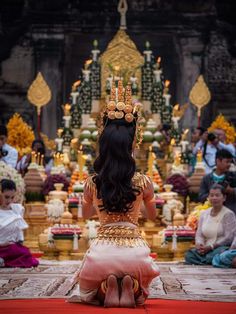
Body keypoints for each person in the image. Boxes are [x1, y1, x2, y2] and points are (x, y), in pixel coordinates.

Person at [70, 82, 160, 308]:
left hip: (101, 255)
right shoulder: (143, 182)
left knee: (87, 291)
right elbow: (151, 217)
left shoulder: (93, 182)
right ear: (133, 145)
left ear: (104, 145)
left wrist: (95, 203)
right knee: (142, 289)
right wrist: (143, 202)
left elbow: (85, 214)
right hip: (135, 253)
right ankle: (132, 285)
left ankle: (105, 288)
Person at [185, 184, 236, 265]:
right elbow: (199, 234)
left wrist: (211, 247)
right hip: (205, 248)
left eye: (217, 195)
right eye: (211, 195)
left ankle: (208, 260)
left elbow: (228, 238)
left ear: (224, 198)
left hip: (220, 248)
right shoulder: (204, 213)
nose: (214, 198)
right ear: (208, 197)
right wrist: (199, 244)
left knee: (217, 254)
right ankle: (211, 261)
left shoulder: (228, 214)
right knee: (189, 255)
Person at [0, 179, 39, 268]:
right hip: (1, 246)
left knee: (26, 254)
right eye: (6, 197)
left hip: (11, 248)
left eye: (12, 197)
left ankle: (3, 261)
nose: (9, 200)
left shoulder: (16, 209)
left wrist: (18, 242)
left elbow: (18, 232)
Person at [199, 149, 236, 214]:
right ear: (218, 161)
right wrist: (213, 195)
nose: (229, 164)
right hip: (211, 213)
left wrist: (231, 190)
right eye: (227, 162)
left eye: (230, 162)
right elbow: (201, 197)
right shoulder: (206, 179)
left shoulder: (234, 176)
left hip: (231, 213)